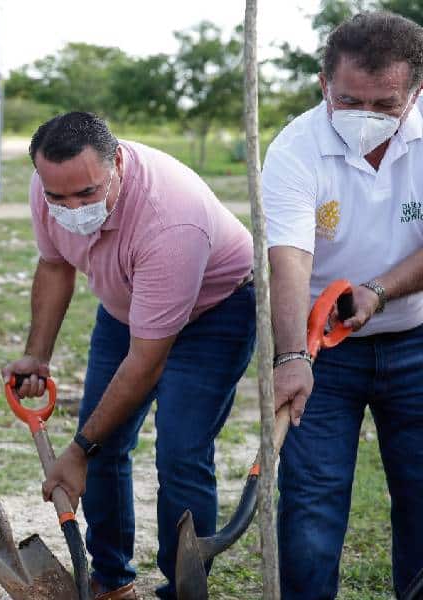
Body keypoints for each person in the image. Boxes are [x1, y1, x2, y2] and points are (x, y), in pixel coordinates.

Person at [2, 112, 255, 600]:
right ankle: (112, 581)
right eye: (58, 197)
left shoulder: (170, 217)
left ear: (117, 162)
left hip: (216, 311)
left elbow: (146, 362)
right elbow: (55, 265)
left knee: (180, 451)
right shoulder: (48, 186)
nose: (71, 207)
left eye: (87, 194)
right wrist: (37, 355)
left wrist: (76, 454)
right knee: (105, 443)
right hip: (128, 307)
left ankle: (184, 588)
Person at [262, 11, 423, 599]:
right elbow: (289, 259)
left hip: (415, 340)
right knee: (311, 503)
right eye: (350, 100)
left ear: (415, 93)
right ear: (324, 83)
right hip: (319, 348)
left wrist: (379, 291)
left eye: (385, 106)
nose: (366, 118)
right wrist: (288, 358)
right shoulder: (294, 150)